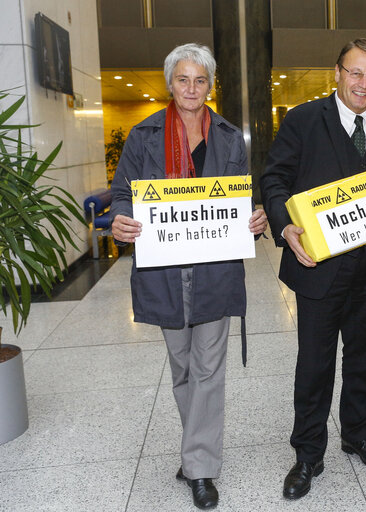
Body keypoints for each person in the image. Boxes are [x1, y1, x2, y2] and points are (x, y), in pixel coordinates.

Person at [260, 38, 366, 500]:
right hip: (318, 268)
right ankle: (308, 452)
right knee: (314, 365)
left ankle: (357, 435)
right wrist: (284, 225)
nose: (363, 84)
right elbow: (273, 178)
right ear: (337, 73)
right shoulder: (302, 120)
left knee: (363, 360)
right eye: (355, 73)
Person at [110, 43, 267, 510]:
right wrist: (121, 220)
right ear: (170, 83)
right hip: (163, 273)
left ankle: (200, 467)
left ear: (211, 85)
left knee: (207, 369)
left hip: (215, 272)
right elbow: (123, 195)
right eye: (183, 79)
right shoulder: (143, 137)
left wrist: (254, 221)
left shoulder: (228, 137)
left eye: (200, 80)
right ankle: (196, 448)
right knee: (182, 369)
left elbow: (243, 203)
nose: (191, 88)